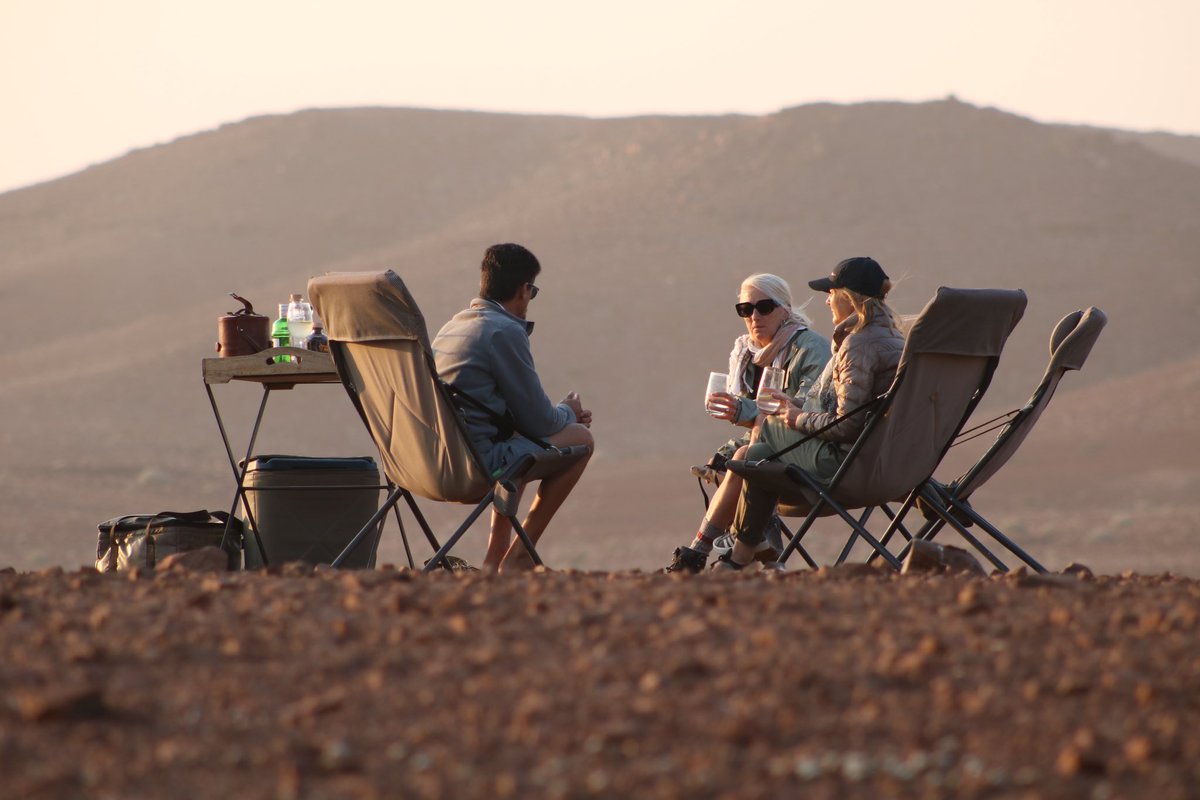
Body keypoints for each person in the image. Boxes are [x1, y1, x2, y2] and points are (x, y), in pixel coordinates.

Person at [713, 256, 906, 570]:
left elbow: (846, 425)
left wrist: (791, 416)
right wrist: (796, 409)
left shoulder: (858, 345)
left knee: (765, 432)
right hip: (885, 462)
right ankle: (743, 558)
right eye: (746, 310)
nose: (827, 300)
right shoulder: (894, 339)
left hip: (848, 467)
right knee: (759, 453)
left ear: (848, 296)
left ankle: (721, 548)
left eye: (832, 293)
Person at [432, 243, 594, 572]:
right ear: (524, 289)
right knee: (580, 439)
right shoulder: (502, 331)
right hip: (473, 469)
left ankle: (495, 558)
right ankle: (518, 558)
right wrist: (569, 412)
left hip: (428, 464)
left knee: (517, 445)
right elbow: (541, 422)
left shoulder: (453, 327)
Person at [664, 273, 829, 574]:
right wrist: (742, 414)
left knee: (742, 459)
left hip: (805, 451)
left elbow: (808, 409)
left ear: (785, 309)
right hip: (769, 447)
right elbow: (759, 417)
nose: (754, 316)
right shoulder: (747, 354)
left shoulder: (810, 348)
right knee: (723, 461)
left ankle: (700, 552)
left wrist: (745, 411)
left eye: (764, 307)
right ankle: (764, 551)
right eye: (745, 309)